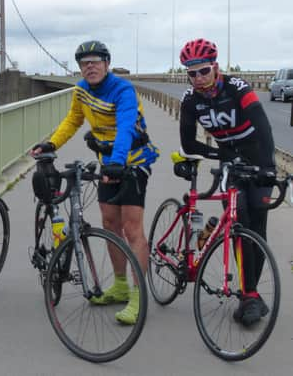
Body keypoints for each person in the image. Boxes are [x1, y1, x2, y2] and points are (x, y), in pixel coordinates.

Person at [31, 40, 159, 324]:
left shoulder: (122, 89)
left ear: (107, 63)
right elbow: (73, 121)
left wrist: (118, 159)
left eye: (95, 61)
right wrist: (51, 143)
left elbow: (126, 126)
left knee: (132, 227)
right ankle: (121, 285)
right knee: (110, 223)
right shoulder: (81, 91)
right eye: (84, 63)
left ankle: (138, 298)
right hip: (108, 164)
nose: (90, 67)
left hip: (135, 162)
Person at [178, 38, 277, 326]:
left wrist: (268, 168)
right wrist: (220, 152)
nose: (198, 78)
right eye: (191, 73)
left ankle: (252, 292)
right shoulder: (190, 100)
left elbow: (265, 129)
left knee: (258, 223)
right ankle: (249, 295)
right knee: (239, 221)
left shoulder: (238, 89)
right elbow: (188, 143)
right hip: (229, 164)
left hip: (258, 157)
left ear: (216, 67)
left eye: (203, 71)